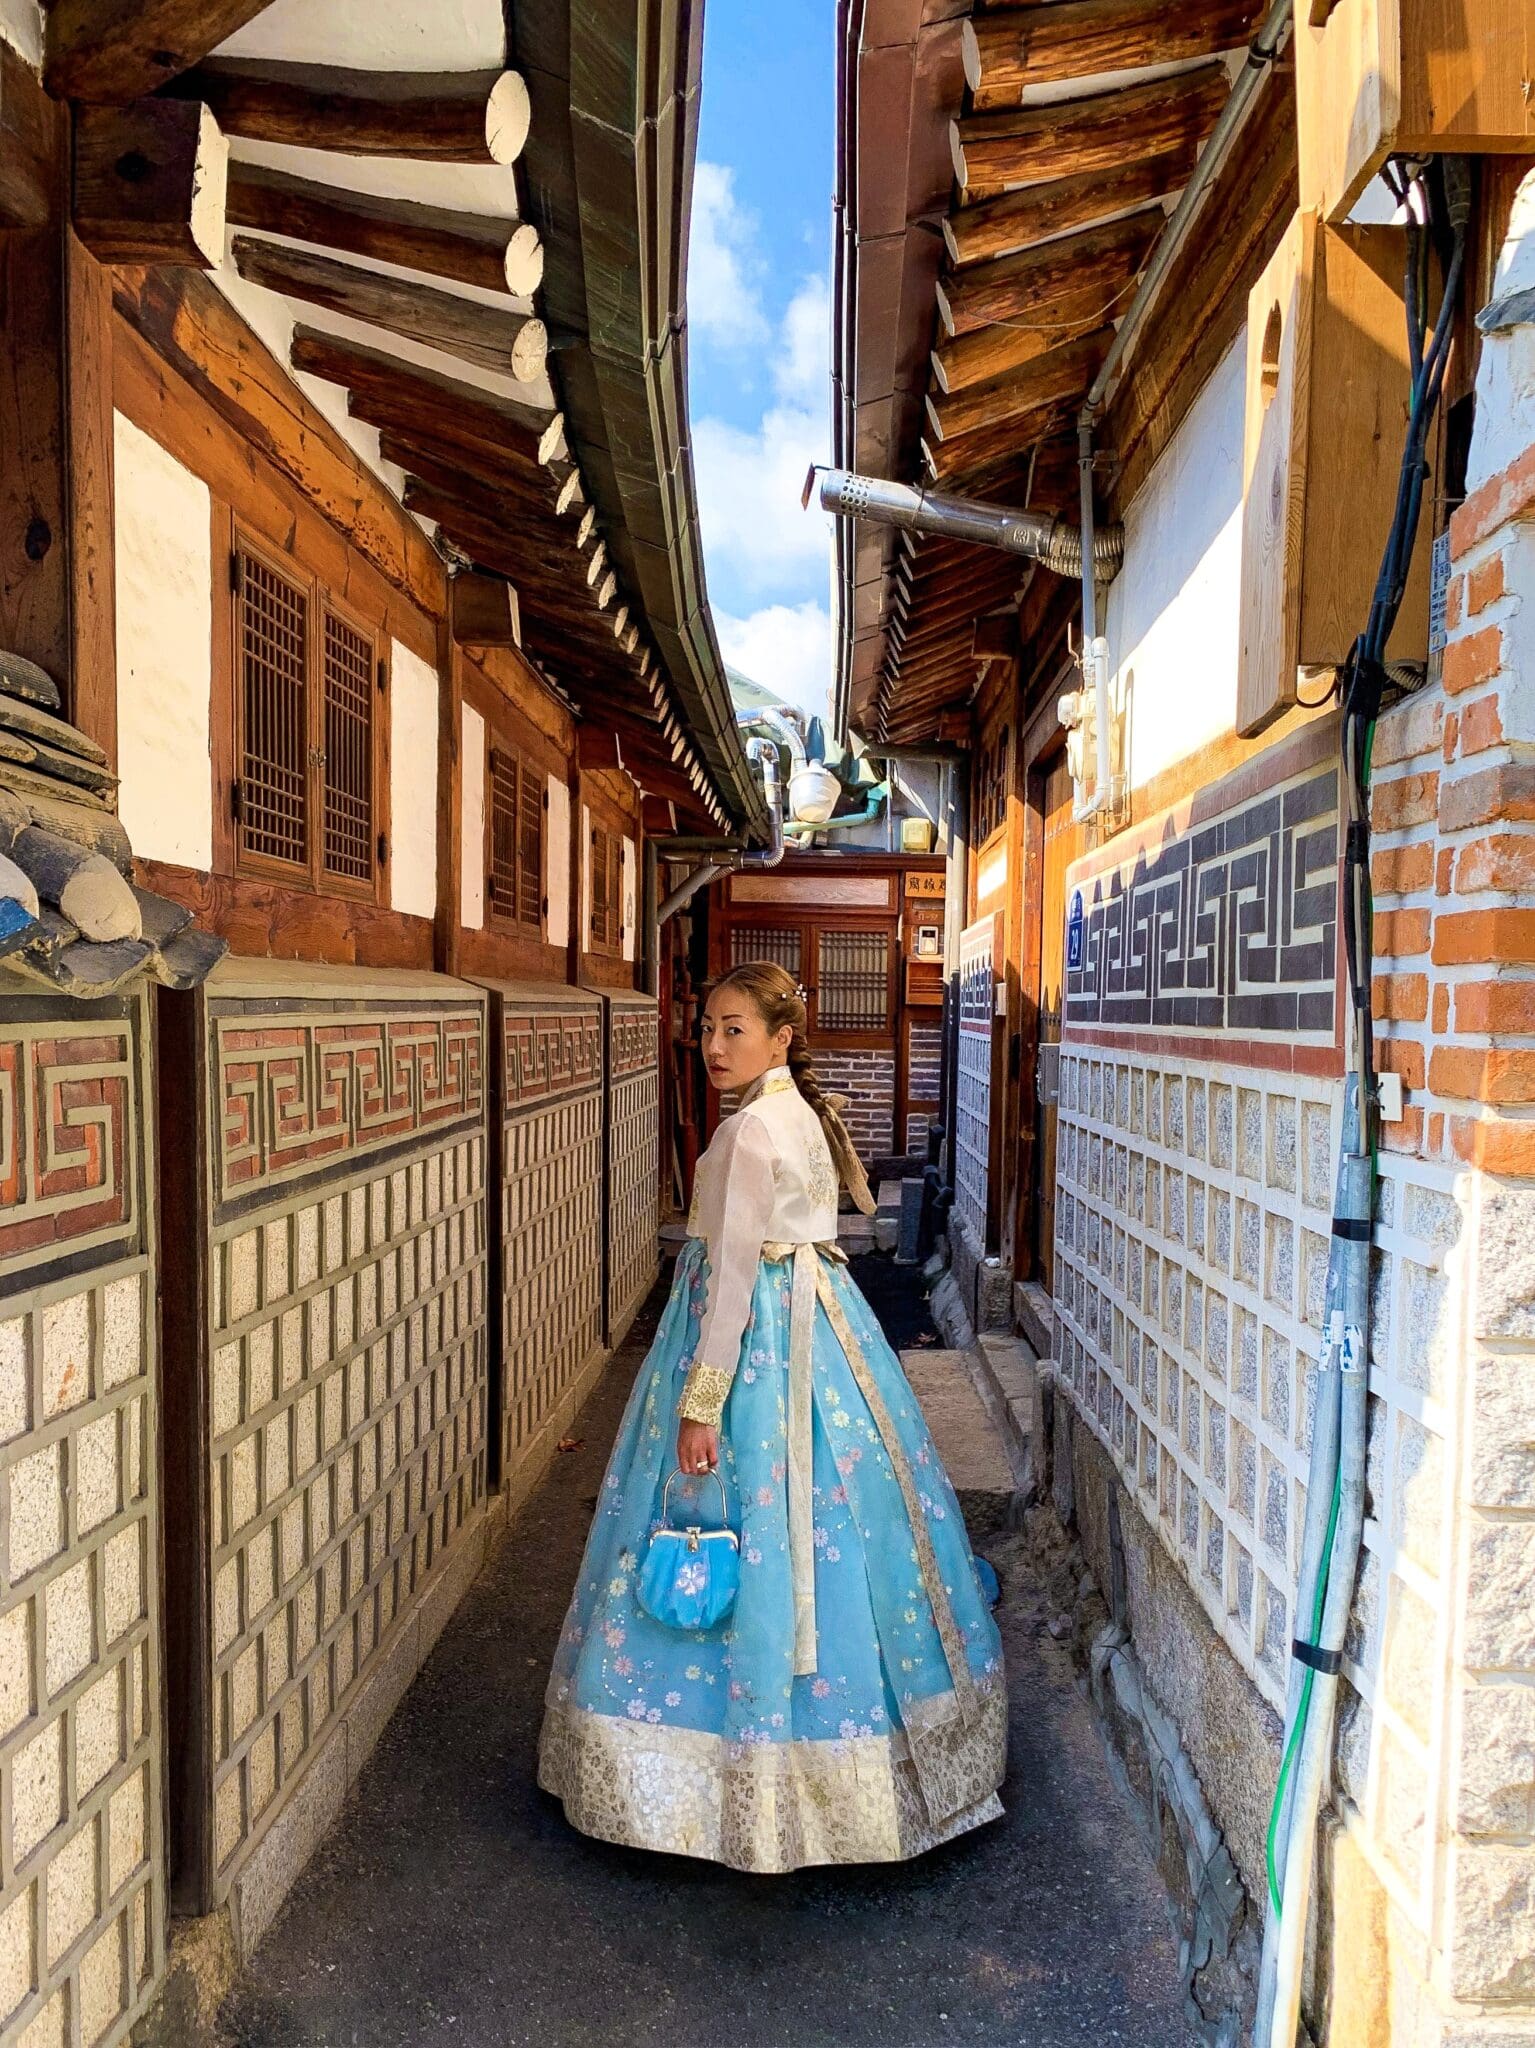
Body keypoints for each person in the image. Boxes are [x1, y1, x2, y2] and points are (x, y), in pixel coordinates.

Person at [538, 961, 1005, 1872]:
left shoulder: (754, 1130)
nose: (714, 1046)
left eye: (734, 1029)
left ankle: (723, 1777)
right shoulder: (795, 1112)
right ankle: (872, 1760)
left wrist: (700, 1403)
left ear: (781, 1037)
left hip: (753, 1346)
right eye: (707, 1027)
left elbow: (737, 1278)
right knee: (848, 1526)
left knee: (729, 1524)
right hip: (821, 1338)